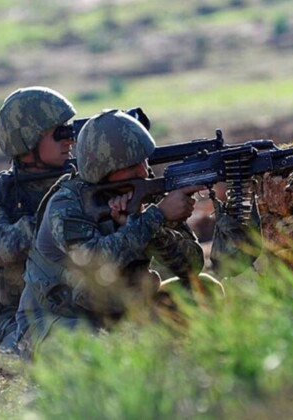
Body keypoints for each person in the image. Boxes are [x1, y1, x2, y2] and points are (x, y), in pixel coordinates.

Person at [18, 109, 205, 348]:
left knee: (204, 291)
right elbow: (96, 263)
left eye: (143, 161)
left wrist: (147, 224)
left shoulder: (142, 189)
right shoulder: (66, 205)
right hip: (59, 320)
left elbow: (192, 266)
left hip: (121, 314)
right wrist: (154, 217)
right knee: (97, 356)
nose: (142, 171)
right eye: (130, 166)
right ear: (101, 171)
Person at [0, 86, 77, 351]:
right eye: (60, 133)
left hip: (88, 303)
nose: (70, 141)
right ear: (28, 140)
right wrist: (58, 216)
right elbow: (2, 248)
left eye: (70, 131)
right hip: (22, 317)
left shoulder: (84, 181)